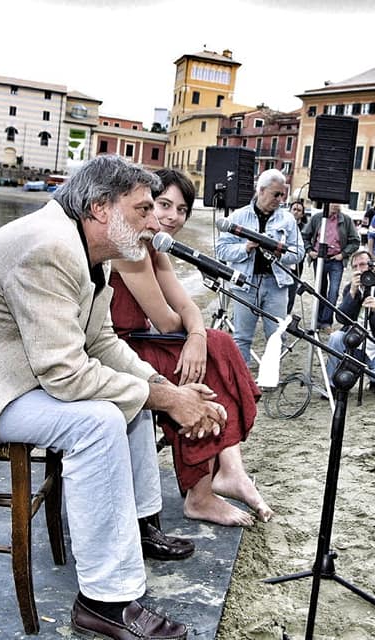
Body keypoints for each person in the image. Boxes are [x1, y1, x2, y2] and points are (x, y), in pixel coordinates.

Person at [0, 156, 230, 640]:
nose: (156, 222)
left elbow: (102, 345)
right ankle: (104, 603)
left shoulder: (87, 253)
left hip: (1, 377)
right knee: (101, 420)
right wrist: (166, 400)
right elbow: (66, 374)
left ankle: (138, 523)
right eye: (144, 209)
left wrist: (165, 388)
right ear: (99, 207)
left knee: (130, 400)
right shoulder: (48, 248)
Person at [110, 168, 270, 527]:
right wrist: (195, 335)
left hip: (142, 341)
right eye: (162, 205)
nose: (171, 217)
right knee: (210, 359)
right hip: (117, 350)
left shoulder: (153, 245)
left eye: (181, 210)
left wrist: (197, 336)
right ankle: (201, 495)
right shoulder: (130, 247)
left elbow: (187, 308)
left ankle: (229, 470)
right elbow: (167, 320)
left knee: (218, 343)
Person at [215, 169, 305, 365]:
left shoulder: (288, 219)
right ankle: (243, 386)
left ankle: (270, 380)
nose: (280, 199)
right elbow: (221, 251)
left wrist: (279, 253)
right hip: (244, 284)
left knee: (277, 336)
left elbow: (299, 253)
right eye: (276, 194)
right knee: (241, 337)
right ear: (261, 191)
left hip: (277, 285)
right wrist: (246, 248)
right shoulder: (238, 217)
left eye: (283, 194)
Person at [326, 249, 375, 391]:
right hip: (353, 345)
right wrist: (352, 295)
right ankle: (332, 385)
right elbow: (341, 318)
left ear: (372, 267)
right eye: (355, 267)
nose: (358, 270)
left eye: (362, 265)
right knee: (335, 337)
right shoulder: (350, 288)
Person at [302, 202, 361, 329]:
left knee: (333, 292)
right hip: (319, 259)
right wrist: (309, 251)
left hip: (336, 260)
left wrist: (343, 254)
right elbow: (305, 236)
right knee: (320, 290)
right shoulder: (317, 218)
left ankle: (326, 321)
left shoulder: (345, 220)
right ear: (326, 203)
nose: (336, 205)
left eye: (338, 203)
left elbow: (355, 241)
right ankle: (317, 320)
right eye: (333, 203)